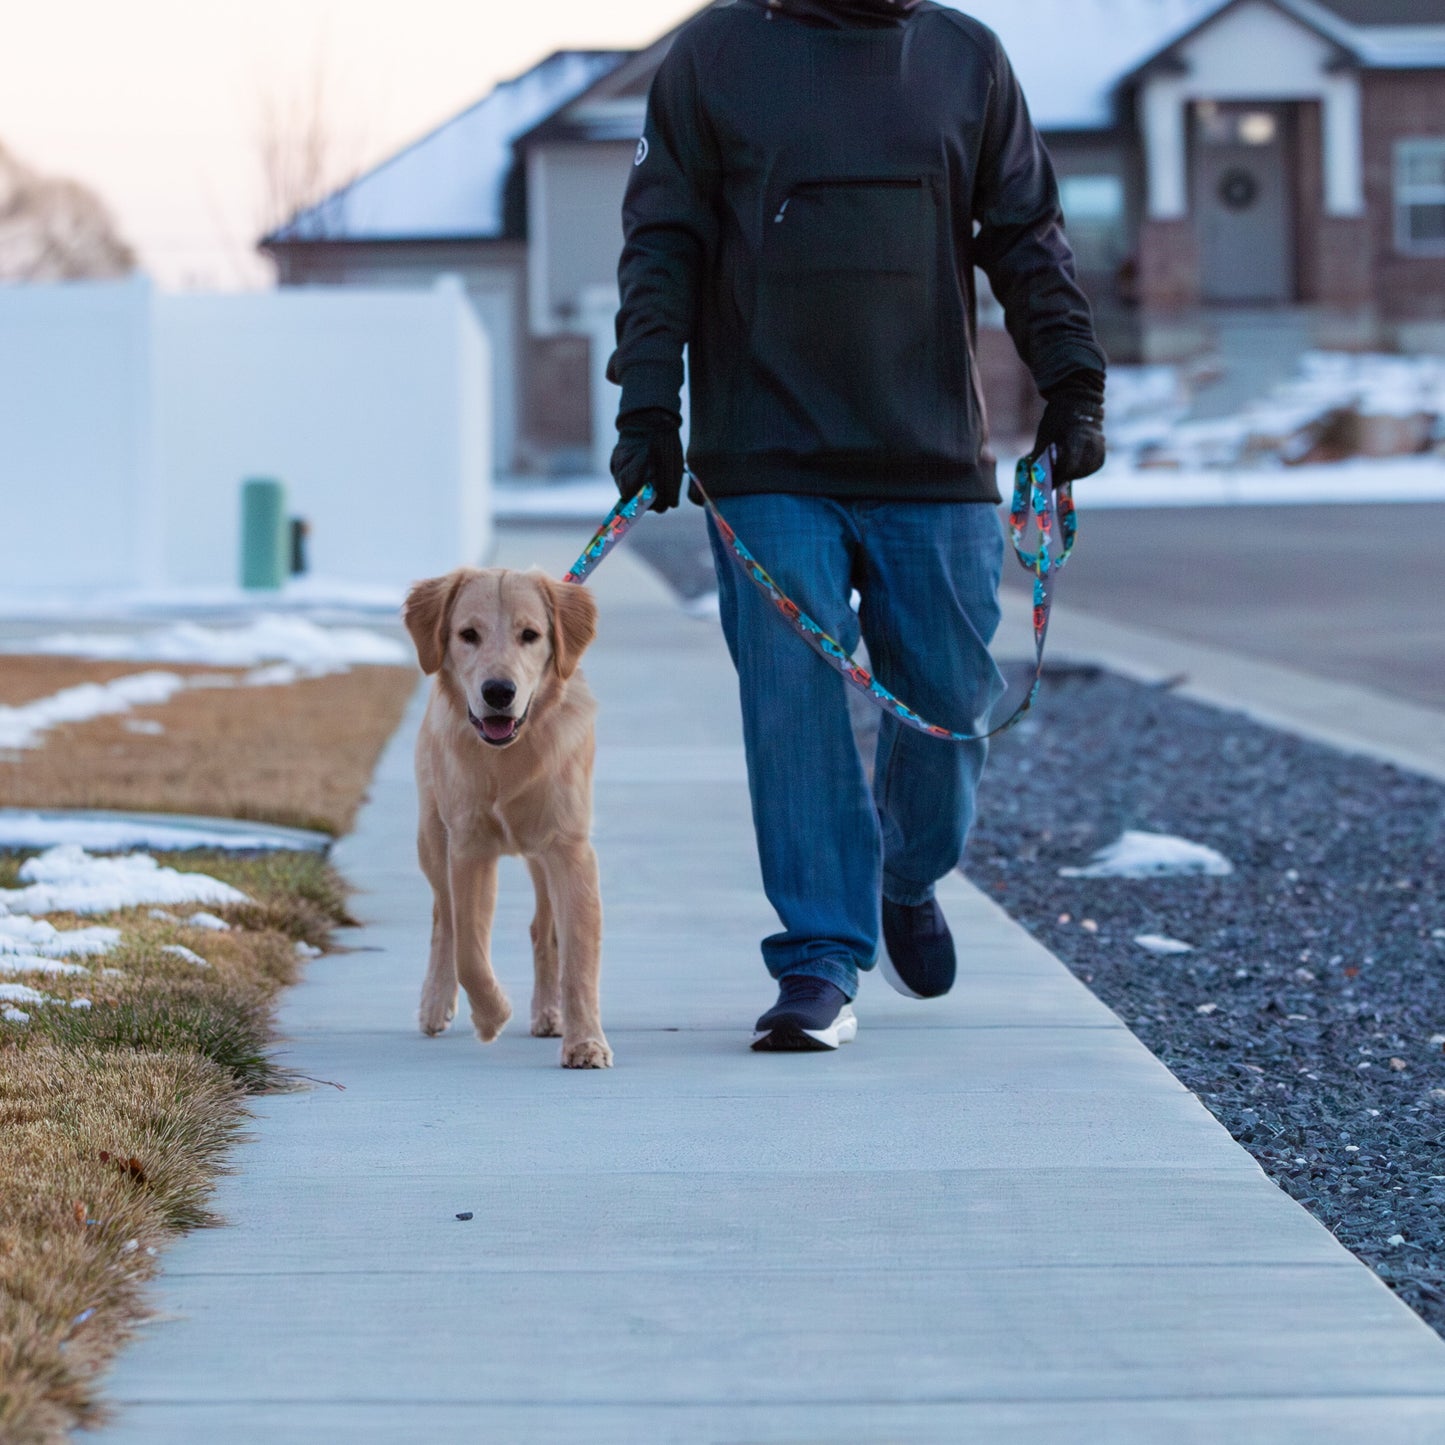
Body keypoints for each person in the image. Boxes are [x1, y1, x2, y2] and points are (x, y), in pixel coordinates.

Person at [609, 0, 1106, 1052]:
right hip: (764, 455)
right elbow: (661, 241)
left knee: (950, 697)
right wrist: (647, 402)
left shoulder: (964, 59)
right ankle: (819, 959)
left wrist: (1072, 382)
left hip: (930, 453)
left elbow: (1025, 235)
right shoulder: (715, 54)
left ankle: (906, 873)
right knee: (792, 707)